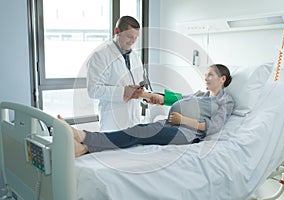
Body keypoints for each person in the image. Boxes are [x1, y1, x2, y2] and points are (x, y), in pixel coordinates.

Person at [60, 64, 234, 157]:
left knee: (139, 131)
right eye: (206, 74)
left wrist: (182, 120)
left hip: (186, 133)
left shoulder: (225, 101)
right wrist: (146, 94)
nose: (206, 77)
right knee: (137, 133)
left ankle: (83, 136)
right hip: (171, 124)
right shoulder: (200, 94)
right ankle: (84, 149)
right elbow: (177, 98)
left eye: (210, 74)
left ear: (222, 78)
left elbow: (213, 127)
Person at [85, 16, 144, 131]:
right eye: (129, 36)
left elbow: (138, 83)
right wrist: (123, 92)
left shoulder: (135, 57)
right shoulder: (100, 56)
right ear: (117, 31)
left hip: (134, 120)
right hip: (112, 123)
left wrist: (142, 93)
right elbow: (93, 90)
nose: (132, 41)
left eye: (135, 37)